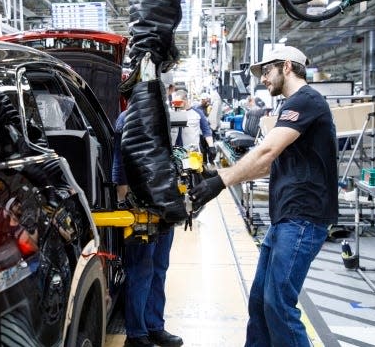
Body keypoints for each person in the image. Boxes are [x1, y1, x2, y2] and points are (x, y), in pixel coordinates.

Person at [189, 46, 338, 347]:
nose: (263, 80)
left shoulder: (306, 100)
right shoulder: (291, 105)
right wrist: (214, 174)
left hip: (303, 218)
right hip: (285, 218)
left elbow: (267, 151)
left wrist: (221, 181)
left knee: (278, 304)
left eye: (266, 72)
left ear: (286, 67)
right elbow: (266, 163)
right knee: (260, 302)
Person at [113, 109, 183, 347]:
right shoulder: (128, 118)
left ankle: (155, 326)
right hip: (140, 205)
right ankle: (136, 334)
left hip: (165, 202)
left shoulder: (161, 114)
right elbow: (120, 165)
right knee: (141, 268)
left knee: (159, 267)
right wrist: (125, 204)